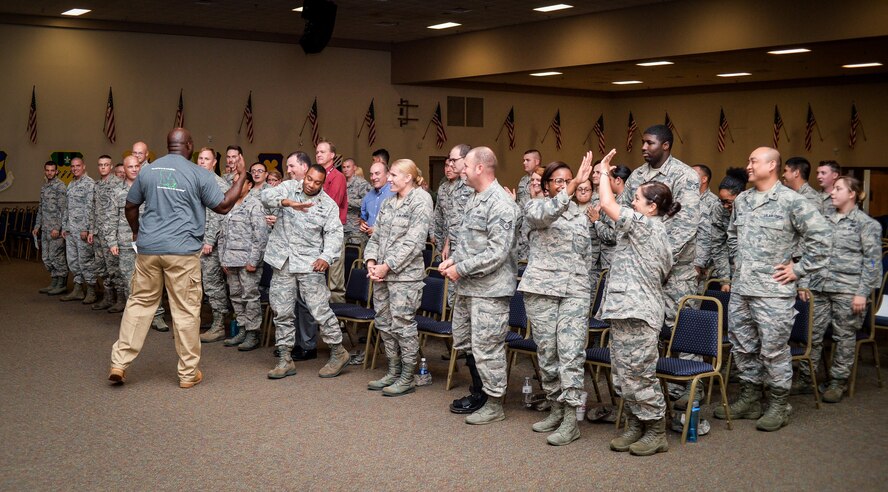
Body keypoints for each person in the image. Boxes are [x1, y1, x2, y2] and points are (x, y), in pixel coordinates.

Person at [108, 128, 246, 388]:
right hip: (182, 253)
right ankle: (187, 373)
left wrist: (137, 231)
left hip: (149, 250)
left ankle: (119, 363)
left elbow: (130, 205)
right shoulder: (199, 173)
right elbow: (223, 205)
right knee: (185, 311)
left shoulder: (148, 171)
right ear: (190, 146)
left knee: (138, 305)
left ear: (168, 145)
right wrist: (242, 176)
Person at [714, 147, 831, 431]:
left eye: (753, 161)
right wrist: (739, 267)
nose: (748, 166)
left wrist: (798, 269)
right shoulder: (743, 200)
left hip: (774, 293)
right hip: (742, 289)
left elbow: (823, 238)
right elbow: (733, 235)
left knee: (774, 350)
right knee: (743, 347)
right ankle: (751, 398)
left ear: (771, 165)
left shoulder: (792, 201)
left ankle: (779, 404)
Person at [595, 148, 676, 456]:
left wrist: (604, 172)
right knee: (623, 374)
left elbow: (607, 204)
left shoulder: (648, 226)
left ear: (652, 207)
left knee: (639, 374)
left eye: (638, 198)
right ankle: (634, 424)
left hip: (639, 313)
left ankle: (656, 430)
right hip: (624, 310)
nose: (632, 201)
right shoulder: (639, 226)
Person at [439, 146, 520, 425]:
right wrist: (453, 261)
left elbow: (497, 253)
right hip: (468, 287)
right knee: (465, 341)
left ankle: (494, 403)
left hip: (490, 290)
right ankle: (480, 393)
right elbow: (468, 242)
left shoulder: (500, 203)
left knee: (488, 347)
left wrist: (460, 269)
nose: (460, 170)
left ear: (479, 168)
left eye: (465, 166)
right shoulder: (475, 197)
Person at [519, 154, 595, 446]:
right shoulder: (535, 206)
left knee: (571, 353)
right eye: (558, 181)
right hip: (542, 290)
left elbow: (586, 256)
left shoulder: (580, 215)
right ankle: (556, 407)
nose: (564, 185)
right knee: (548, 353)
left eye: (568, 180)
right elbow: (545, 215)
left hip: (574, 291)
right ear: (547, 185)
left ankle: (571, 419)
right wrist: (573, 186)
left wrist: (584, 288)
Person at [795, 176, 881, 403]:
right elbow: (810, 252)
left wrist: (862, 292)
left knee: (844, 337)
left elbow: (873, 262)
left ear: (852, 194)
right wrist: (804, 282)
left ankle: (838, 382)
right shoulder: (823, 220)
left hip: (848, 290)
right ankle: (806, 378)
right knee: (811, 334)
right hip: (819, 287)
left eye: (838, 189)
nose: (832, 193)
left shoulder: (867, 225)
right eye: (833, 189)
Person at [262, 164, 349, 379]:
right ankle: (285, 359)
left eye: (317, 182)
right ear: (305, 176)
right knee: (282, 311)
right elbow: (265, 196)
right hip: (283, 261)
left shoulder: (327, 205)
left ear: (322, 183)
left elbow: (334, 234)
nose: (310, 184)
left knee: (319, 309)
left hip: (309, 263)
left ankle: (338, 352)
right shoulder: (289, 187)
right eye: (309, 179)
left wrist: (326, 257)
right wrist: (287, 202)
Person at [364, 159, 434, 396]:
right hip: (382, 275)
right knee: (384, 323)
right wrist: (371, 262)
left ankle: (407, 375)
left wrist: (387, 266)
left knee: (403, 326)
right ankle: (393, 370)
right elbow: (376, 236)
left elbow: (414, 243)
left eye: (393, 175)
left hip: (405, 277)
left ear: (408, 177)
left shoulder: (421, 200)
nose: (389, 179)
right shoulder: (389, 202)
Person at [218, 171, 269, 352]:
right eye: (234, 182)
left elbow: (260, 236)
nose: (236, 186)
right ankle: (242, 328)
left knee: (250, 297)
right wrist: (223, 258)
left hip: (247, 261)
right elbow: (222, 234)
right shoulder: (228, 204)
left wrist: (254, 261)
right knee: (235, 296)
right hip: (230, 259)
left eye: (240, 182)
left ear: (249, 185)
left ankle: (253, 332)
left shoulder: (254, 205)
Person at [195, 147, 234, 344]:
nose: (202, 162)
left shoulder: (217, 184)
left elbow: (218, 214)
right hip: (195, 240)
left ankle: (219, 326)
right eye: (200, 158)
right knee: (198, 284)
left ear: (214, 163)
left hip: (210, 244)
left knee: (213, 283)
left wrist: (209, 240)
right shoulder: (195, 181)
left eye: (206, 159)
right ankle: (209, 319)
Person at [59, 157, 97, 303]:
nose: (75, 168)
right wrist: (64, 226)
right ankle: (78, 289)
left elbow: (90, 208)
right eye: (73, 166)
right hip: (70, 230)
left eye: (78, 166)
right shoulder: (71, 184)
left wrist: (86, 228)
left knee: (86, 260)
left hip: (82, 230)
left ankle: (92, 291)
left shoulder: (89, 183)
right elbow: (67, 207)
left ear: (84, 166)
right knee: (73, 260)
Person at [107, 155, 142, 314]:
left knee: (150, 281)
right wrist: (112, 242)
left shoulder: (148, 188)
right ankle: (132, 314)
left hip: (147, 242)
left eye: (136, 166)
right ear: (124, 169)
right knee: (128, 280)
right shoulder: (116, 191)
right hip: (125, 242)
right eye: (130, 167)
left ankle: (156, 315)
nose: (134, 169)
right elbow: (111, 217)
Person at [89, 154, 123, 309]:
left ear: (111, 166)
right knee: (101, 266)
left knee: (114, 267)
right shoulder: (96, 185)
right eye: (100, 165)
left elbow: (121, 211)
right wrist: (91, 230)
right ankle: (108, 297)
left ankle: (121, 299)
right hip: (98, 233)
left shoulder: (118, 184)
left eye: (106, 164)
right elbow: (93, 210)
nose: (103, 167)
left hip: (111, 234)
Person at [316, 141, 348, 303]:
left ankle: (337, 312)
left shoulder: (337, 176)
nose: (318, 154)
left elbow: (332, 205)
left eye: (322, 152)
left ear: (332, 155)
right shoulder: (316, 175)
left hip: (333, 231)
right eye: (317, 152)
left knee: (334, 276)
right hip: (317, 231)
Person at [34, 160, 69, 295]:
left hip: (55, 230)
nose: (49, 173)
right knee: (46, 258)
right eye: (47, 170)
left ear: (56, 171)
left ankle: (61, 284)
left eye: (52, 170)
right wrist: (37, 225)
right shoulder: (44, 187)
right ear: (45, 171)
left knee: (56, 257)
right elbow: (41, 208)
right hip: (45, 229)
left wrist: (57, 228)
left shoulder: (60, 186)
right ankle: (54, 281)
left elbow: (63, 210)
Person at [709, 168, 748, 279]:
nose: (725, 206)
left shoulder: (752, 208)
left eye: (728, 202)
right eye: (722, 201)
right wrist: (724, 278)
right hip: (728, 268)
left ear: (741, 196)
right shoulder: (719, 208)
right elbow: (718, 245)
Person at [592, 164, 631, 271]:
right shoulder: (621, 199)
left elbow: (612, 235)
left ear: (618, 180)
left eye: (609, 179)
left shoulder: (620, 204)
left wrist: (596, 221)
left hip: (614, 262)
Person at [440, 144, 474, 261]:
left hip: (469, 248)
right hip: (455, 246)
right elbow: (454, 220)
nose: (450, 164)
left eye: (454, 160)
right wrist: (447, 244)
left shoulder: (475, 186)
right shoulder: (457, 186)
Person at [692, 164, 719, 283]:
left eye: (693, 174)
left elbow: (716, 236)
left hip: (705, 268)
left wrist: (700, 263)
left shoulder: (714, 203)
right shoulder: (687, 200)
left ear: (704, 179)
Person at [359, 161, 395, 238]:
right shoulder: (368, 196)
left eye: (377, 173)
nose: (373, 177)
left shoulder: (394, 193)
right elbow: (363, 218)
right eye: (371, 174)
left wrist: (378, 230)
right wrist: (362, 224)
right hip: (370, 241)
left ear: (387, 174)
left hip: (389, 241)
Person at [342, 158, 371, 246]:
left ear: (354, 168)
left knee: (356, 250)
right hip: (343, 226)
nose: (345, 169)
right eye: (344, 167)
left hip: (356, 228)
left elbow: (368, 202)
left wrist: (349, 202)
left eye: (348, 167)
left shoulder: (361, 183)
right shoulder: (341, 182)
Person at [431, 158, 458, 250]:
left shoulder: (467, 187)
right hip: (443, 240)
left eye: (452, 166)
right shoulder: (442, 188)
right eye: (446, 166)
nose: (448, 169)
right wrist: (434, 234)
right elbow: (438, 214)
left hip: (460, 242)